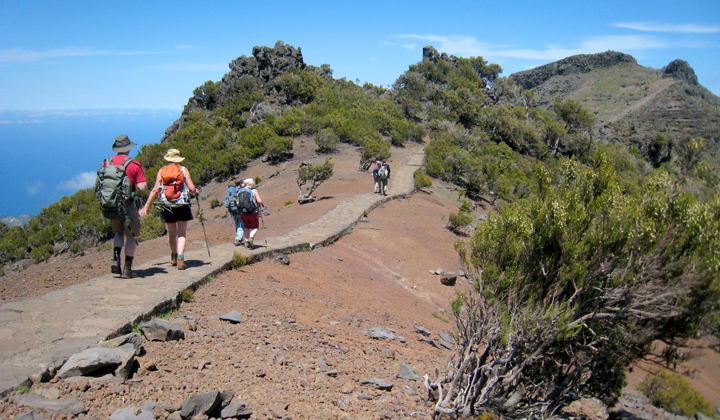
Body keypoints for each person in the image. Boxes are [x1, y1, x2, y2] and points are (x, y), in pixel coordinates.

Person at [139, 149, 199, 270]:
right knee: (182, 233)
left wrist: (146, 206)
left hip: (167, 206)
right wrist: (197, 191)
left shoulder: (162, 171)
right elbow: (192, 188)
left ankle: (173, 257)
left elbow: (155, 190)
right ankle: (181, 258)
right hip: (182, 205)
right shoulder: (183, 170)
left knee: (172, 234)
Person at [103, 135, 147, 278]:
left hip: (111, 205)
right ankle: (128, 269)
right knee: (131, 236)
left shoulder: (107, 163)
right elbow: (142, 187)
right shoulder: (134, 165)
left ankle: (116, 258)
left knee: (118, 233)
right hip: (128, 206)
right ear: (128, 148)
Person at [240, 178, 263, 249]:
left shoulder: (241, 191)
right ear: (251, 184)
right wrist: (260, 204)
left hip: (243, 212)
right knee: (255, 226)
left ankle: (246, 242)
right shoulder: (254, 190)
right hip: (252, 211)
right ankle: (251, 237)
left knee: (246, 227)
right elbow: (259, 201)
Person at [224, 179, 245, 246]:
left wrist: (228, 206)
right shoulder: (241, 189)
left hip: (232, 209)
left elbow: (227, 199)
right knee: (241, 223)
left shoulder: (230, 190)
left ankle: (238, 237)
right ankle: (238, 238)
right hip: (239, 209)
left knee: (237, 222)